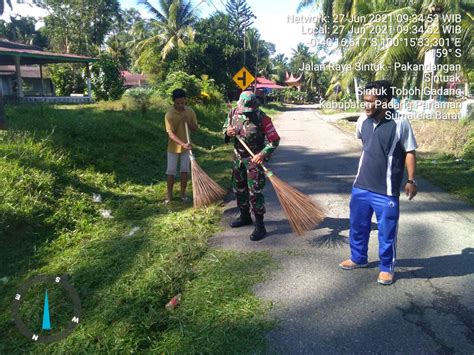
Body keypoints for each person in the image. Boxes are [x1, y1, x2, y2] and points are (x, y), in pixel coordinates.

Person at [339, 80, 418, 285]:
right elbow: (366, 145)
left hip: (387, 190)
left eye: (371, 101)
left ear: (385, 101)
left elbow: (409, 151)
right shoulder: (361, 121)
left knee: (386, 231)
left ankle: (386, 267)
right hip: (361, 186)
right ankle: (358, 258)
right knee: (358, 225)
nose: (366, 105)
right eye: (364, 101)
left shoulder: (400, 122)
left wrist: (411, 180)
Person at [223, 91, 280, 241]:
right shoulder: (233, 113)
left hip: (254, 160)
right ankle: (245, 216)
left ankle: (260, 225)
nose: (247, 113)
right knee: (239, 189)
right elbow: (225, 129)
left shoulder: (263, 118)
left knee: (255, 192)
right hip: (238, 159)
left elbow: (274, 141)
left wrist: (262, 154)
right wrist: (228, 132)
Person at [164, 88, 198, 203]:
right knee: (171, 171)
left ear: (185, 100)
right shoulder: (169, 114)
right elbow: (171, 134)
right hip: (173, 148)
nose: (180, 105)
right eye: (178, 103)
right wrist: (183, 144)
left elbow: (195, 129)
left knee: (184, 171)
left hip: (186, 148)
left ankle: (183, 194)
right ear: (173, 101)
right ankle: (169, 195)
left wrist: (188, 121)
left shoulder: (190, 111)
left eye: (182, 103)